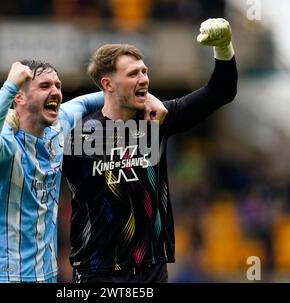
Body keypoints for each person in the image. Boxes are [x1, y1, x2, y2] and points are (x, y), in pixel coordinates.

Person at [62, 18, 238, 282]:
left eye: (144, 71)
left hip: (151, 269)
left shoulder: (156, 119)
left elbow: (220, 91)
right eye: (133, 74)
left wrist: (223, 48)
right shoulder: (77, 134)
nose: (143, 79)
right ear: (108, 84)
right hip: (97, 272)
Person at [0, 60, 166, 283]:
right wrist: (9, 86)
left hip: (46, 275)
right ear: (19, 97)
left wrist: (146, 98)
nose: (55, 92)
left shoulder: (59, 125)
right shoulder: (5, 140)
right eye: (44, 86)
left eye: (58, 86)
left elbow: (99, 98)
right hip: (0, 276)